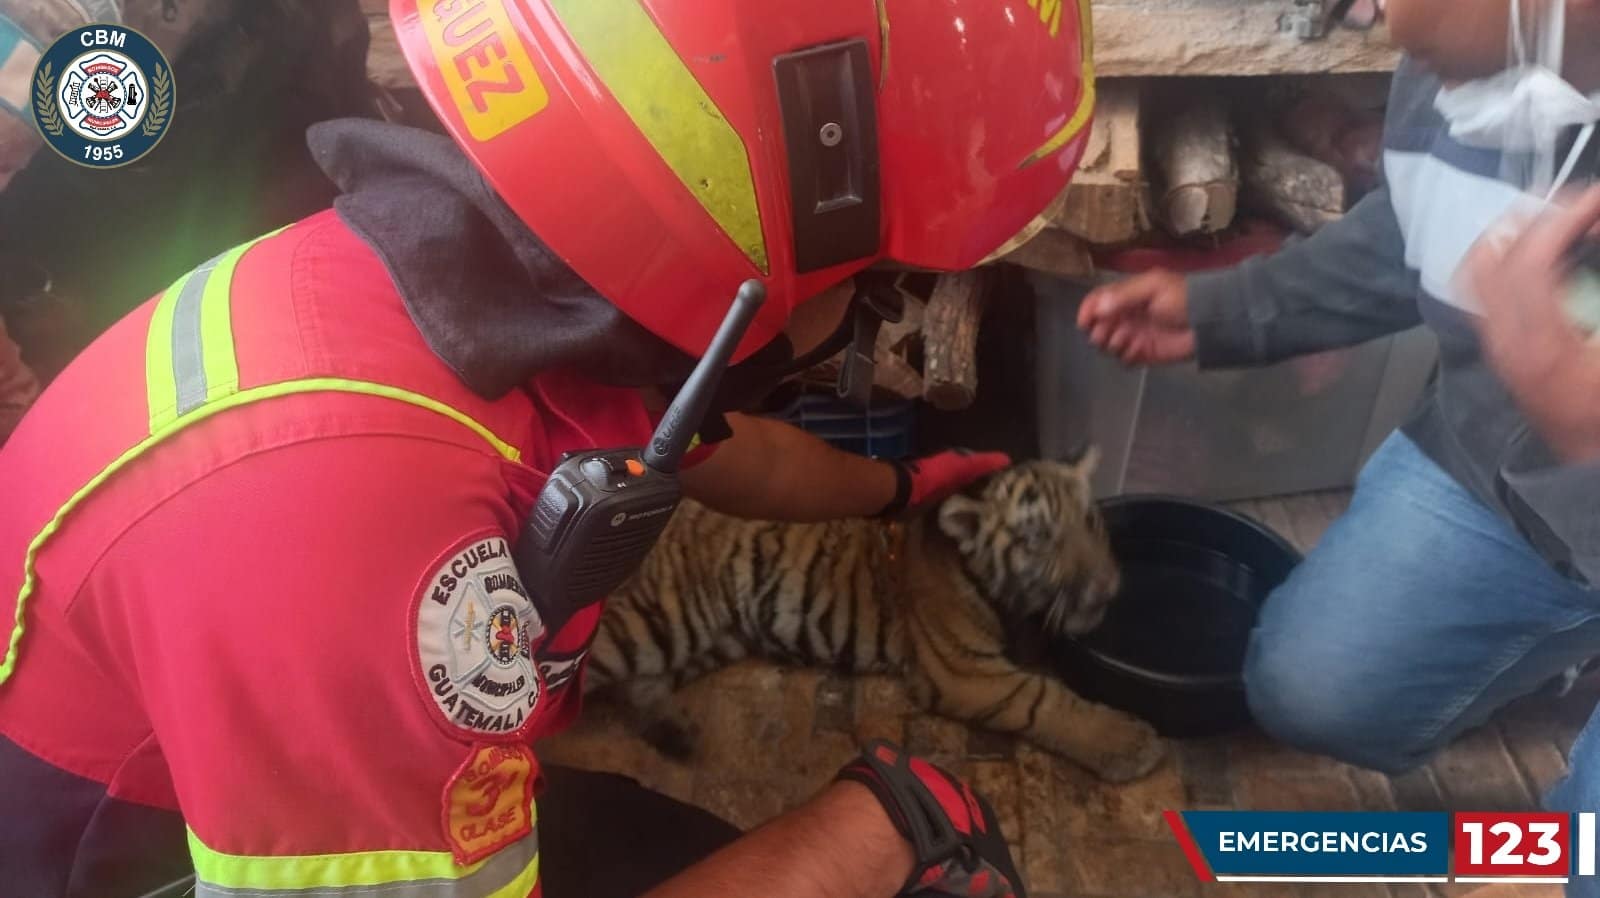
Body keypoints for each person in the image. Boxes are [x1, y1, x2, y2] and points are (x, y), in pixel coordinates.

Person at [0, 1, 1096, 896]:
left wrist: (900, 487)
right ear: (780, 225)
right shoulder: (370, 532)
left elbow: (738, 456)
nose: (880, 314)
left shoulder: (505, 283)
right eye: (888, 280)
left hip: (274, 790)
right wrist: (877, 832)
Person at [1078, 2, 1598, 896]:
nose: (1389, 24)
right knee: (1311, 690)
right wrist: (1221, 312)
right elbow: (1413, 228)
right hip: (1498, 474)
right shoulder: (1464, 64)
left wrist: (1587, 431)